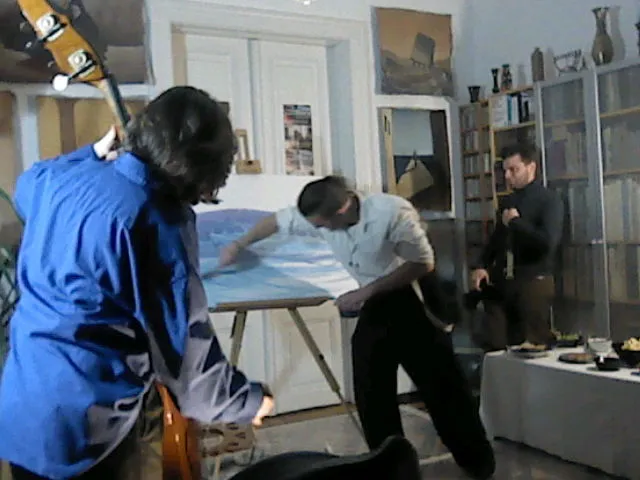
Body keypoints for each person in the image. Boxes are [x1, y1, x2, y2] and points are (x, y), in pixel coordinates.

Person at [0, 86, 273, 480]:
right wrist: (248, 401)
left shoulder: (62, 180)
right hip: (85, 425)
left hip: (22, 404)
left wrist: (92, 152)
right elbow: (188, 365)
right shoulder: (158, 220)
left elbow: (28, 186)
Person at [218, 176, 495, 480]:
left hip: (412, 299)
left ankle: (478, 462)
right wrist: (238, 244)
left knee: (442, 387)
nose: (321, 230)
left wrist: (363, 293)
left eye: (324, 224)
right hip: (376, 304)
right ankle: (391, 469)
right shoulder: (323, 216)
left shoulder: (390, 212)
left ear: (342, 210)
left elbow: (422, 263)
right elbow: (275, 222)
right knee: (370, 388)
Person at [469, 143, 564, 350]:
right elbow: (497, 239)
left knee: (530, 345)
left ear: (531, 167)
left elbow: (547, 242)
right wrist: (482, 265)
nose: (508, 176)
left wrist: (516, 222)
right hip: (504, 281)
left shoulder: (549, 200)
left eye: (514, 170)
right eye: (505, 171)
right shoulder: (508, 201)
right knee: (496, 343)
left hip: (533, 281)